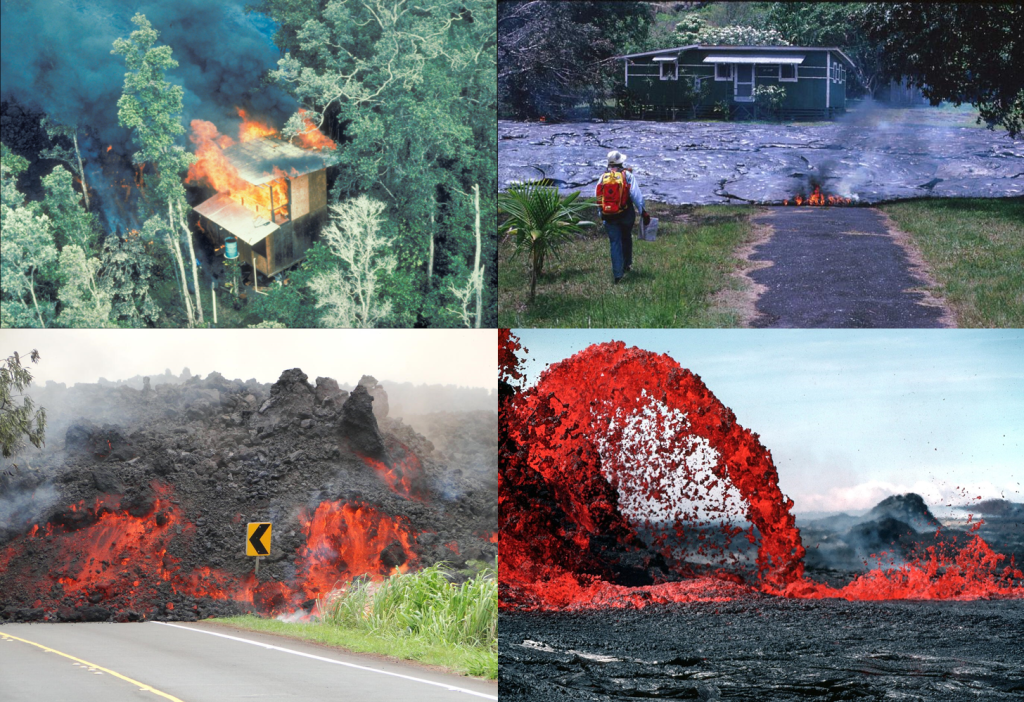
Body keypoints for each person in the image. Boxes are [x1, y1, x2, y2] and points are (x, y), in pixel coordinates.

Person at [596, 150, 650, 283]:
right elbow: (636, 196)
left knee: (614, 242)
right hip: (626, 215)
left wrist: (601, 214)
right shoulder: (627, 175)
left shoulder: (603, 177)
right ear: (621, 162)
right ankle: (626, 265)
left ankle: (617, 275)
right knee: (626, 237)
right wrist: (643, 211)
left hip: (608, 216)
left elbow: (598, 197)